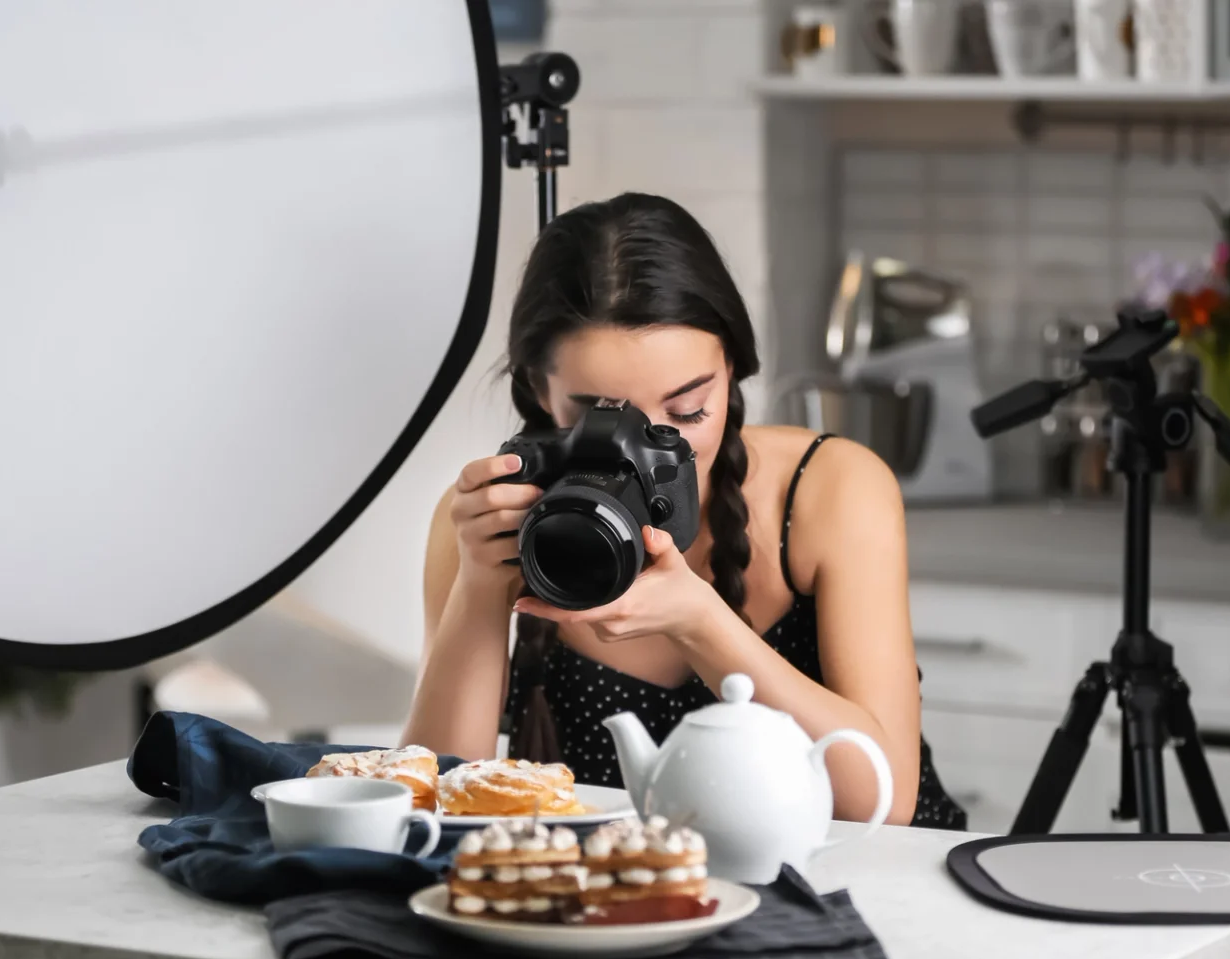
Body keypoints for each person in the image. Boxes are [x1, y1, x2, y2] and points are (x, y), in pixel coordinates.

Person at [403, 192, 965, 830]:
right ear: (539, 391)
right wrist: (482, 583)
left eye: (689, 411)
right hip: (632, 901)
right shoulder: (487, 518)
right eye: (598, 417)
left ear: (732, 368)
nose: (641, 447)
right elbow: (434, 806)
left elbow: (882, 805)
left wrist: (701, 622)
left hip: (872, 885)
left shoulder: (829, 489)